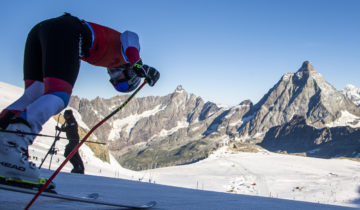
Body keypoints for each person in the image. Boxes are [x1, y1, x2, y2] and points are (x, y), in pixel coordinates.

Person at [0, 13, 159, 185]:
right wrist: (138, 62)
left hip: (41, 30)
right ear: (130, 73)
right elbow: (130, 35)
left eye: (115, 84)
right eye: (119, 83)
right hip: (67, 31)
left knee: (34, 95)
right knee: (59, 95)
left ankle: (4, 145)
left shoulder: (110, 57)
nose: (112, 79)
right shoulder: (127, 54)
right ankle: (12, 145)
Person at [56, 110, 84, 174]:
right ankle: (79, 167)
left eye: (67, 115)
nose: (65, 117)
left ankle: (78, 166)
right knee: (75, 154)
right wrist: (61, 129)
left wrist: (62, 128)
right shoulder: (69, 121)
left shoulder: (72, 121)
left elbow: (72, 129)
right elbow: (68, 129)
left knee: (67, 153)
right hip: (72, 140)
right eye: (65, 115)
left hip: (74, 140)